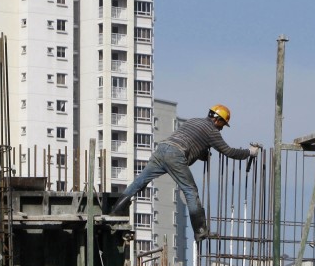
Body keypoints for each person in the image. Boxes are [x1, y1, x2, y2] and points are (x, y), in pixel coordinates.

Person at [111, 104, 260, 242]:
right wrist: (249, 152)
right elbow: (228, 151)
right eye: (223, 124)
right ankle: (201, 230)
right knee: (190, 191)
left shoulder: (194, 121)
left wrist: (200, 153)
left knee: (141, 181)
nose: (222, 128)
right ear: (217, 119)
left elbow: (189, 140)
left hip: (162, 149)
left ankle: (117, 210)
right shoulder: (212, 131)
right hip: (175, 154)